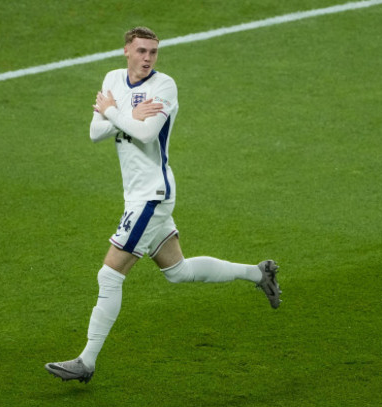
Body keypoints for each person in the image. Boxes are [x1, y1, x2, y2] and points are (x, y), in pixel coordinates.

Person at [45, 27, 281, 384]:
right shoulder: (112, 78)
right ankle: (259, 273)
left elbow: (145, 134)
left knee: (109, 274)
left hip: (151, 195)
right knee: (178, 271)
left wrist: (116, 114)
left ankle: (86, 361)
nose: (147, 58)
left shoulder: (163, 87)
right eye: (141, 51)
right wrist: (123, 114)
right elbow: (94, 131)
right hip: (138, 193)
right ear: (126, 50)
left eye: (153, 52)